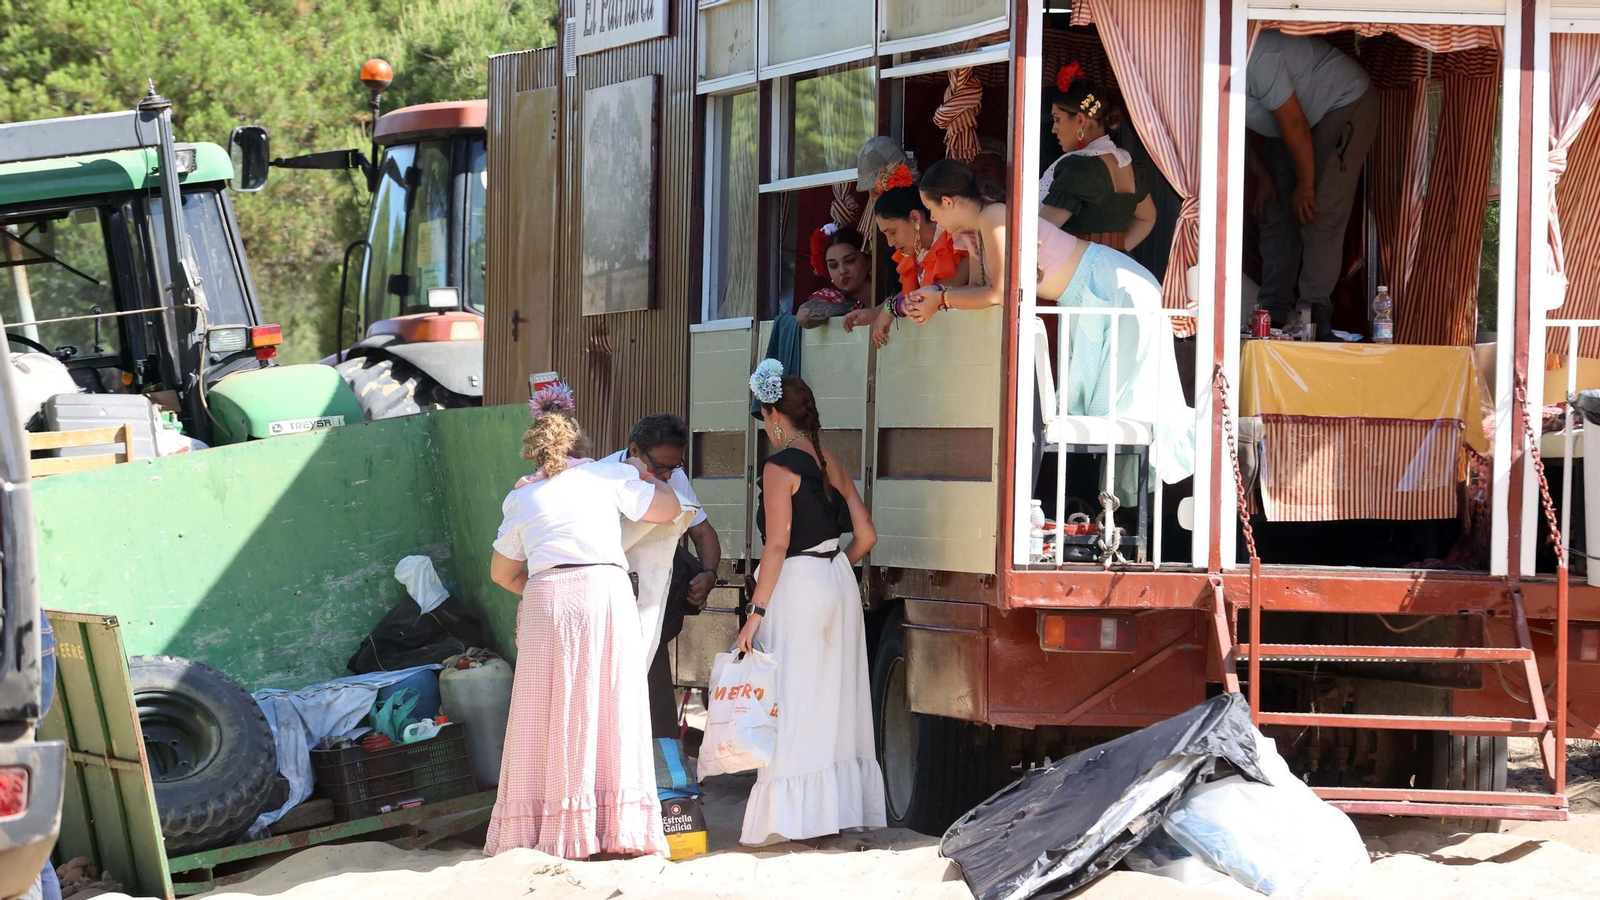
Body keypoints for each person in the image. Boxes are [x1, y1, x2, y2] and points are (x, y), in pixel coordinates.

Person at [906, 159, 1194, 497]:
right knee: (1110, 410)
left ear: (949, 201)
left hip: (1113, 288)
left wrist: (941, 300)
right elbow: (981, 289)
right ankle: (1113, 514)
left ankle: (1152, 509)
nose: (934, 220)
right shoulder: (984, 223)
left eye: (931, 210)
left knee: (1131, 407)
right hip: (1092, 295)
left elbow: (999, 293)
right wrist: (950, 283)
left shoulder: (993, 216)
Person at [485, 383, 683, 859]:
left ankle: (547, 828)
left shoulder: (524, 497)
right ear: (580, 446)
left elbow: (501, 573)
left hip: (546, 598)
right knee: (612, 702)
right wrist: (648, 475)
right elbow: (670, 510)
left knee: (547, 709)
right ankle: (614, 828)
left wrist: (542, 590)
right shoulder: (607, 477)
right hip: (603, 592)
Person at [738, 360, 885, 846]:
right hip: (834, 578)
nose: (764, 423)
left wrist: (755, 613)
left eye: (764, 415)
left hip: (798, 581)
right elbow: (866, 535)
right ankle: (838, 810)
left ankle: (794, 818)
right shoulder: (832, 461)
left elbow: (776, 545)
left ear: (776, 415)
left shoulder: (779, 466)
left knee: (796, 697)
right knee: (837, 698)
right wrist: (835, 563)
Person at [1245, 29, 1378, 333]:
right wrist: (1263, 176)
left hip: (1342, 102)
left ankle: (1312, 317)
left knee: (1317, 209)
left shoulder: (1257, 56)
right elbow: (1233, 121)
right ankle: (1271, 316)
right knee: (1276, 209)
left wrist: (1305, 187)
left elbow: (1294, 123)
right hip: (1291, 121)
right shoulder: (1211, 62)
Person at [600, 412, 720, 737]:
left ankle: (657, 759)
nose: (667, 476)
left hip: (653, 600)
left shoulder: (671, 477)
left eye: (674, 467)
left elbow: (703, 532)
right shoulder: (604, 478)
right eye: (661, 468)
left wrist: (709, 573)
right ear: (635, 451)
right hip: (610, 599)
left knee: (651, 679)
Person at [1040, 63, 1157, 252]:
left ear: (1080, 120)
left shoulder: (1079, 168)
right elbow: (1147, 218)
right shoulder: (1130, 165)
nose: (1053, 129)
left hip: (1076, 277)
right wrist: (1115, 254)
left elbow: (1040, 233)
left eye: (1057, 119)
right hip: (1113, 272)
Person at [841, 185, 970, 346]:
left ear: (915, 218)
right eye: (885, 235)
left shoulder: (956, 239)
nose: (890, 242)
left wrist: (890, 309)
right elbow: (911, 292)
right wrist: (874, 313)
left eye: (893, 232)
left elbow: (935, 292)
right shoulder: (919, 250)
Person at [796, 225, 874, 328]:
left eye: (850, 261)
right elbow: (804, 316)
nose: (842, 271)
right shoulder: (834, 298)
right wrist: (856, 306)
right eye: (833, 266)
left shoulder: (892, 292)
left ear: (868, 260)